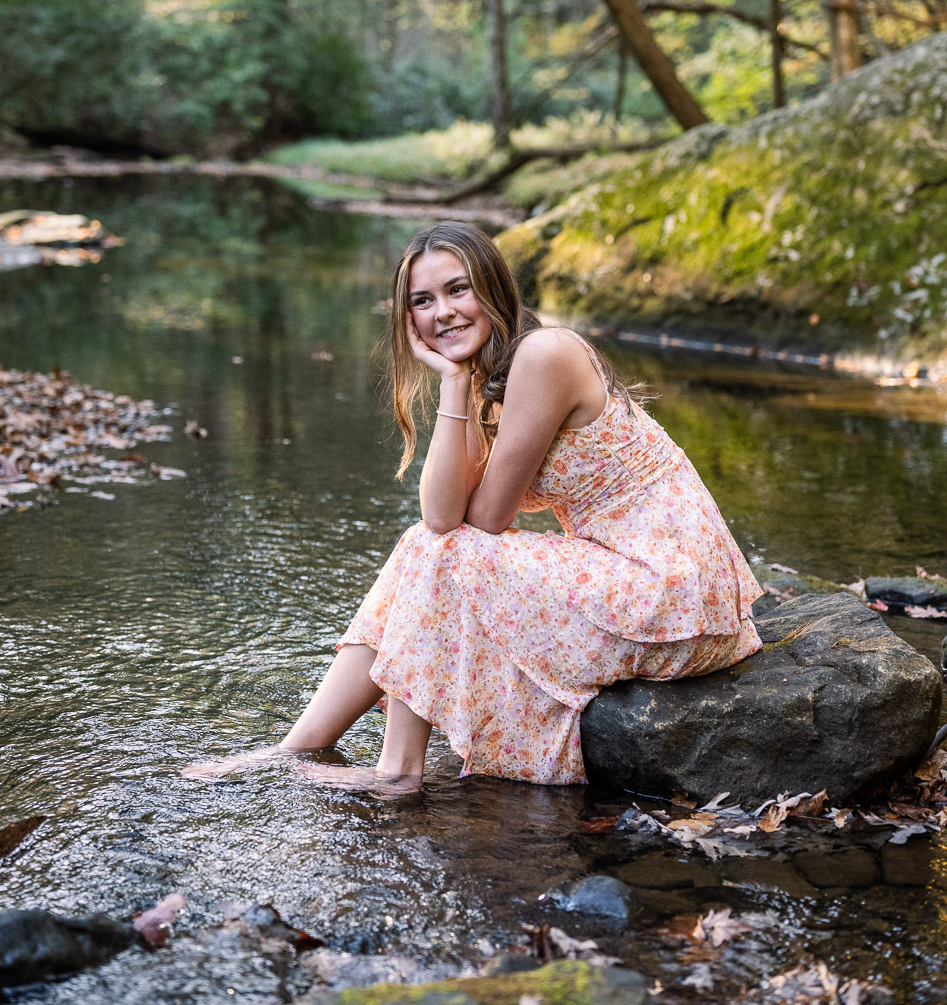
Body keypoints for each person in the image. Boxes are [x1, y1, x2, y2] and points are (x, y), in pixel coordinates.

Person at [183, 221, 761, 790]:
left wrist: (459, 386)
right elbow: (439, 513)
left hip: (676, 590)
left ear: (493, 289)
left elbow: (479, 524)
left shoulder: (544, 355)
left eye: (458, 289)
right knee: (426, 544)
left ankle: (398, 770)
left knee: (440, 551)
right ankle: (298, 747)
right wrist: (454, 385)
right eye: (423, 301)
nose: (445, 312)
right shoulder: (492, 380)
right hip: (638, 577)